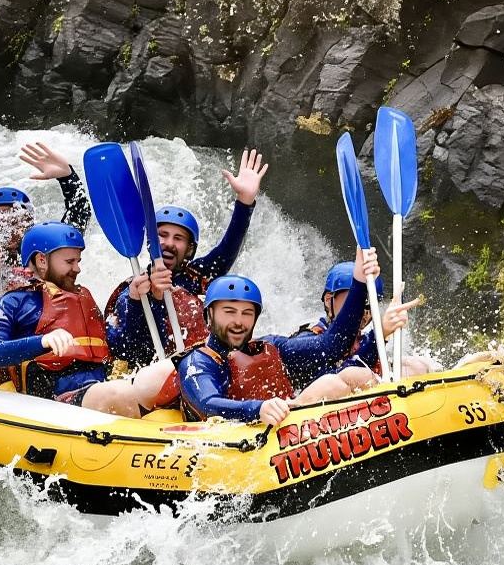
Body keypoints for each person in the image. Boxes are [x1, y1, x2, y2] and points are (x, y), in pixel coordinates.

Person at [0, 222, 175, 416]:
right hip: (55, 398)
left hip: (98, 387)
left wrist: (136, 302)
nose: (78, 268)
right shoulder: (15, 302)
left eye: (78, 261)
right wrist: (42, 341)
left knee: (169, 370)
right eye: (70, 262)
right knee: (119, 392)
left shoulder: (83, 297)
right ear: (41, 260)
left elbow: (124, 349)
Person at [177, 250, 385, 426]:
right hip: (230, 449)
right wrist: (258, 409)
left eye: (247, 313)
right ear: (209, 316)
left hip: (282, 435)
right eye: (229, 312)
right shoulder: (197, 362)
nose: (239, 321)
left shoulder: (272, 346)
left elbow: (331, 346)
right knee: (332, 384)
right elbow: (208, 403)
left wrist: (358, 281)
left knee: (334, 384)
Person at [106, 148, 269, 365]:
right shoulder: (134, 289)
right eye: (162, 235)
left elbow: (228, 247)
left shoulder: (198, 275)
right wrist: (141, 301)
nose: (169, 243)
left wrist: (245, 201)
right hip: (158, 377)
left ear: (189, 249)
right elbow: (129, 351)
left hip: (203, 365)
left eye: (178, 238)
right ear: (150, 241)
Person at [0, 141, 91, 320]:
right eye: (2, 219)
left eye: (17, 219)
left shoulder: (43, 248)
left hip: (46, 320)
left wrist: (68, 177)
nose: (11, 228)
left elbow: (77, 218)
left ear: (29, 222)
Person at [287, 261, 431, 389]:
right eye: (356, 300)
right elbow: (335, 380)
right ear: (328, 300)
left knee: (415, 367)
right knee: (356, 375)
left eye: (369, 302)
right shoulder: (308, 338)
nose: (364, 310)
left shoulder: (362, 342)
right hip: (318, 412)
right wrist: (379, 335)